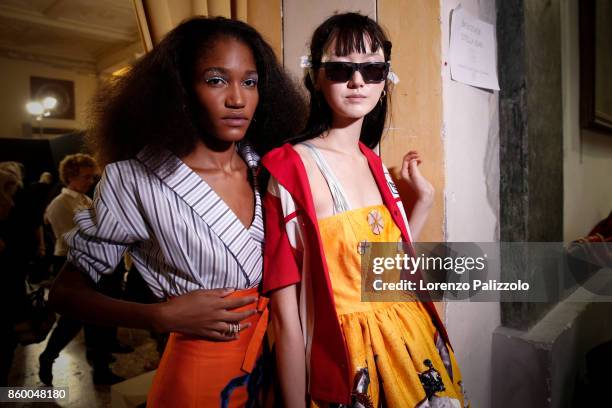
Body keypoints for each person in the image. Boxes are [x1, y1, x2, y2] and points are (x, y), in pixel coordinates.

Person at [48, 16, 305, 406]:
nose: (237, 98)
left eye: (249, 82)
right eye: (216, 80)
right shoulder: (135, 180)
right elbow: (63, 295)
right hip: (199, 378)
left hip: (279, 362)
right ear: (182, 89)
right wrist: (158, 317)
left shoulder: (267, 168)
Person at [263, 13, 468, 407]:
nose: (358, 82)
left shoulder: (372, 162)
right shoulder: (290, 169)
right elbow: (286, 319)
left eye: (372, 70)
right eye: (341, 69)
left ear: (385, 80)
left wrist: (420, 203)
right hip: (348, 360)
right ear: (316, 77)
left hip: (414, 349)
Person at [39, 153, 127, 386]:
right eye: (86, 177)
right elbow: (71, 240)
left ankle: (99, 368)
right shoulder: (60, 204)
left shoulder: (84, 200)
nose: (91, 181)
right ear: (70, 177)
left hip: (92, 266)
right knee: (71, 322)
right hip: (71, 267)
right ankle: (48, 357)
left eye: (92, 177)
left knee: (95, 320)